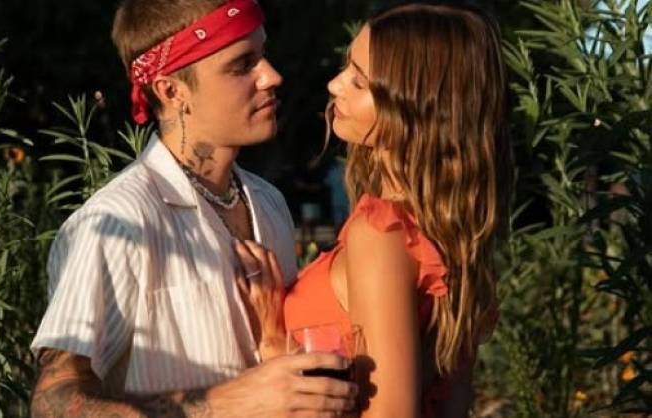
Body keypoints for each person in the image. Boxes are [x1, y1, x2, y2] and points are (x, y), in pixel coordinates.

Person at [29, 0, 357, 416]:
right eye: (242, 65)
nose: (272, 76)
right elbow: (51, 403)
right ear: (171, 90)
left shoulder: (269, 201)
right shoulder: (118, 222)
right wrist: (223, 404)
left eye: (263, 55)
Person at [234, 3, 511, 417]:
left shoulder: (382, 233)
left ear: (415, 107)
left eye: (359, 82)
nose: (335, 85)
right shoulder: (449, 235)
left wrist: (275, 348)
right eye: (346, 67)